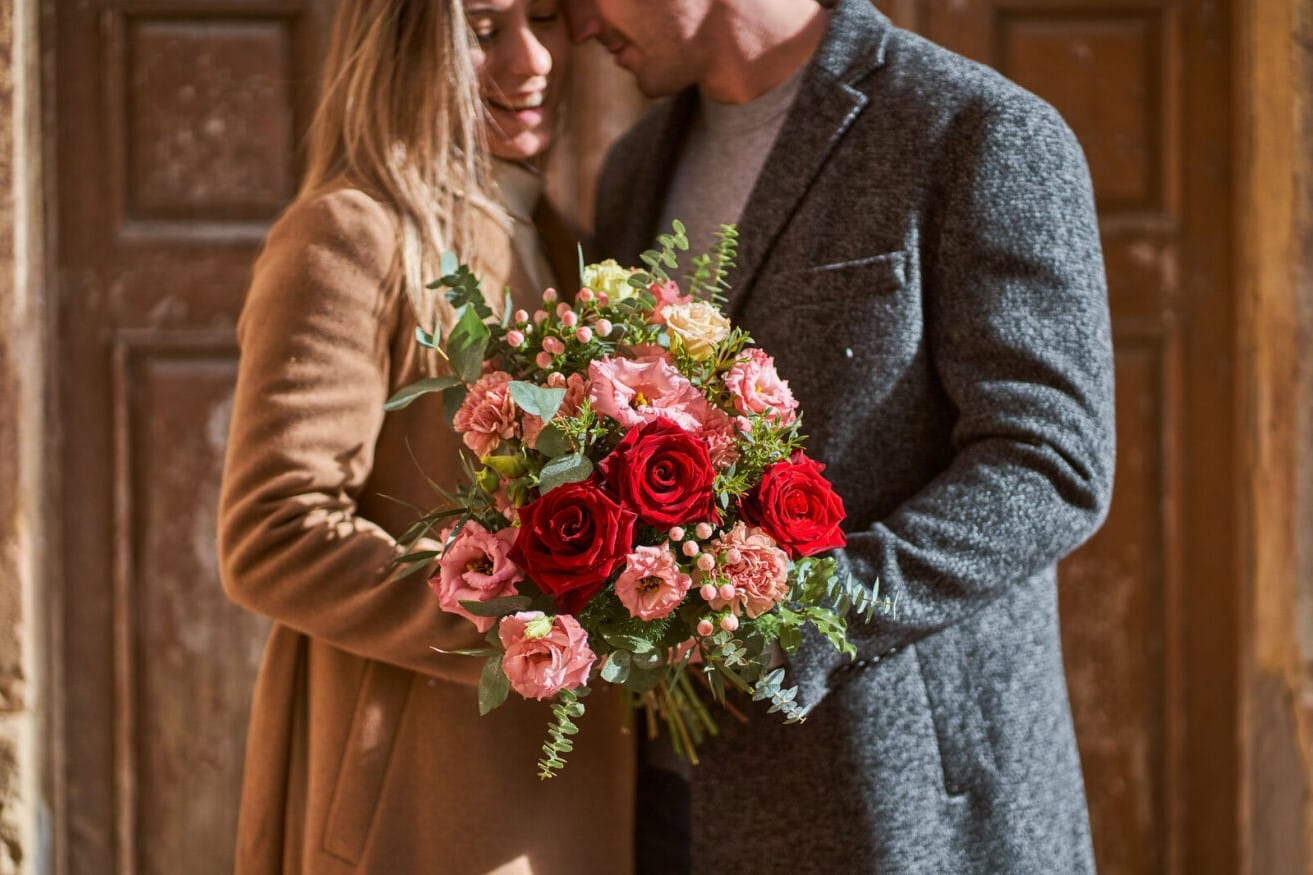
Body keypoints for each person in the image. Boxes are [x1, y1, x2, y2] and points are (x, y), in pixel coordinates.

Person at [567, 0, 1115, 871]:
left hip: (897, 803)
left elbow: (1049, 462)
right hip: (667, 798)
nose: (577, 25)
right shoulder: (632, 169)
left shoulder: (977, 129)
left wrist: (815, 616)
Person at [217, 1, 634, 872]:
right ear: (403, 47)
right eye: (482, 30)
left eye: (548, 17)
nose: (533, 61)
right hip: (417, 798)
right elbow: (273, 533)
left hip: (567, 789)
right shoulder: (349, 235)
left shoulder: (560, 237)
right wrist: (522, 630)